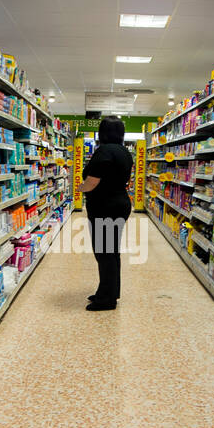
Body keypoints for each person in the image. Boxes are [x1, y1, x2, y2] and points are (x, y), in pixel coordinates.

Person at [77, 116, 134, 311]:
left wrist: (80, 188)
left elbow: (93, 182)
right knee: (111, 252)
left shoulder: (104, 151)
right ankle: (108, 292)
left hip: (105, 206)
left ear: (102, 132)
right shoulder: (125, 152)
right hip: (120, 203)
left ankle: (107, 300)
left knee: (104, 253)